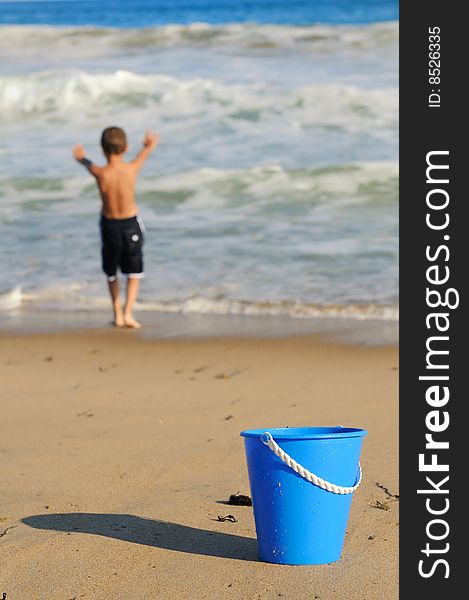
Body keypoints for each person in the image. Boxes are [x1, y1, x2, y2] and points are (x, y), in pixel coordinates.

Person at [73, 126, 159, 328]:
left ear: (103, 150)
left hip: (109, 226)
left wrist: (81, 158)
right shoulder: (131, 168)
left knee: (111, 272)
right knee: (134, 271)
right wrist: (148, 146)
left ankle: (117, 314)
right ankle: (128, 313)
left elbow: (88, 165)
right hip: (130, 224)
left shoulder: (101, 173)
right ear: (126, 148)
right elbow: (143, 155)